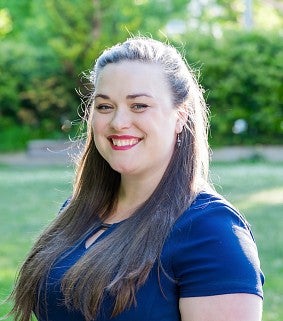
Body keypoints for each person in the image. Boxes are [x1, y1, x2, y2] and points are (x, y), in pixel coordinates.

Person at [9, 36, 264, 321]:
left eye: (139, 106)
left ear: (180, 116)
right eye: (105, 106)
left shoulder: (210, 232)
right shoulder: (77, 211)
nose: (118, 122)